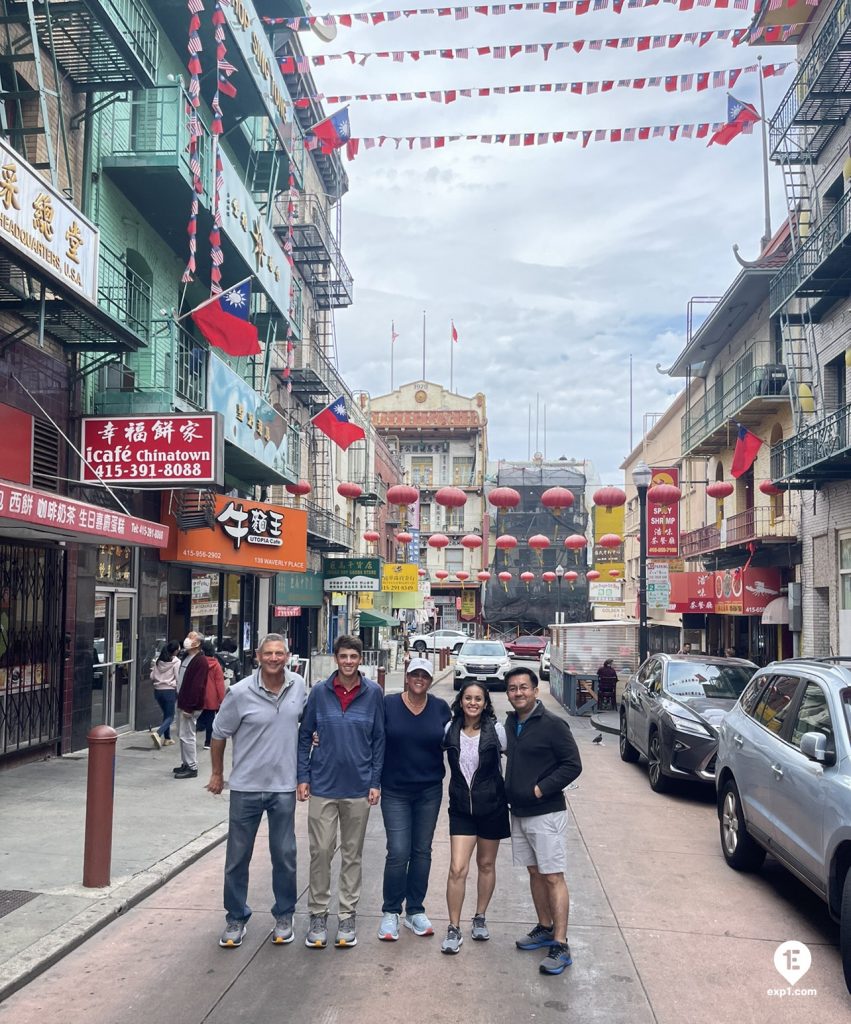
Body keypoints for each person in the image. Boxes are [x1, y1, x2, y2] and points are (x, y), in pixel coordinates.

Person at [207, 633, 306, 949]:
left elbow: (307, 726)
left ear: (287, 656)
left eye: (280, 653)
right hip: (246, 788)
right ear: (258, 657)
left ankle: (284, 915)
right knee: (237, 857)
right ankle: (236, 918)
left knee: (285, 855)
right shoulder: (239, 693)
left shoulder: (299, 686)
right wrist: (218, 774)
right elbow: (219, 734)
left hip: (283, 787)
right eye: (269, 653)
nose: (274, 658)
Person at [297, 634, 385, 950]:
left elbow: (379, 740)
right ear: (336, 658)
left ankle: (347, 915)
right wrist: (302, 776)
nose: (348, 662)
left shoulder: (373, 693)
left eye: (353, 657)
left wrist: (375, 782)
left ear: (361, 659)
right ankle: (318, 914)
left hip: (359, 787)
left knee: (352, 854)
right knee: (320, 851)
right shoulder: (320, 693)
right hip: (322, 784)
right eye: (343, 656)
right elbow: (305, 734)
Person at [504, 666, 582, 977]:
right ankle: (545, 927)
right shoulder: (511, 723)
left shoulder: (552, 724)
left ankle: (560, 944)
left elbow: (572, 765)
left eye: (524, 687)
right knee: (535, 872)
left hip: (546, 812)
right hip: (519, 812)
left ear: (536, 690)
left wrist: (540, 788)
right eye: (512, 688)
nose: (518, 693)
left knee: (552, 876)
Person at [377, 657, 450, 942]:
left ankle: (415, 910)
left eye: (425, 675)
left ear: (430, 680)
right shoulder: (388, 705)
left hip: (429, 790)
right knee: (398, 852)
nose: (419, 678)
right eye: (414, 674)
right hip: (394, 789)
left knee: (422, 851)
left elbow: (460, 737)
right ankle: (391, 911)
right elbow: (369, 736)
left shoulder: (441, 708)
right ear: (406, 677)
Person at [440, 680, 510, 955]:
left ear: (485, 703)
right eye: (468, 698)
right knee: (458, 868)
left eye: (478, 699)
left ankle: (480, 916)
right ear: (460, 701)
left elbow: (518, 756)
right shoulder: (450, 729)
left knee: (486, 864)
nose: (472, 703)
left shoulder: (498, 731)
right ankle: (453, 927)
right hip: (461, 808)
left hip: (492, 806)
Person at [174, 631, 208, 779]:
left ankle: (192, 766)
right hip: (182, 701)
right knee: (182, 735)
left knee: (188, 736)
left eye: (191, 637)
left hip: (189, 705)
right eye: (188, 636)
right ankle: (186, 763)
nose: (187, 639)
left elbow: (197, 686)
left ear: (198, 643)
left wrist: (190, 707)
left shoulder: (200, 661)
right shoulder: (188, 657)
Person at [149, 641, 180, 749]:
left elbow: (152, 676)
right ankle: (158, 733)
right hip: (169, 691)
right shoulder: (176, 662)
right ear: (175, 651)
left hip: (158, 691)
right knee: (170, 717)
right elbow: (177, 677)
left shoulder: (158, 661)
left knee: (166, 715)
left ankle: (167, 739)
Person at [198, 640, 226, 749]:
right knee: (210, 720)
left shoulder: (199, 663)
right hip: (211, 696)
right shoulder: (216, 665)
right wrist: (222, 700)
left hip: (199, 694)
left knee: (198, 718)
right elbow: (219, 684)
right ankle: (207, 742)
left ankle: (191, 736)